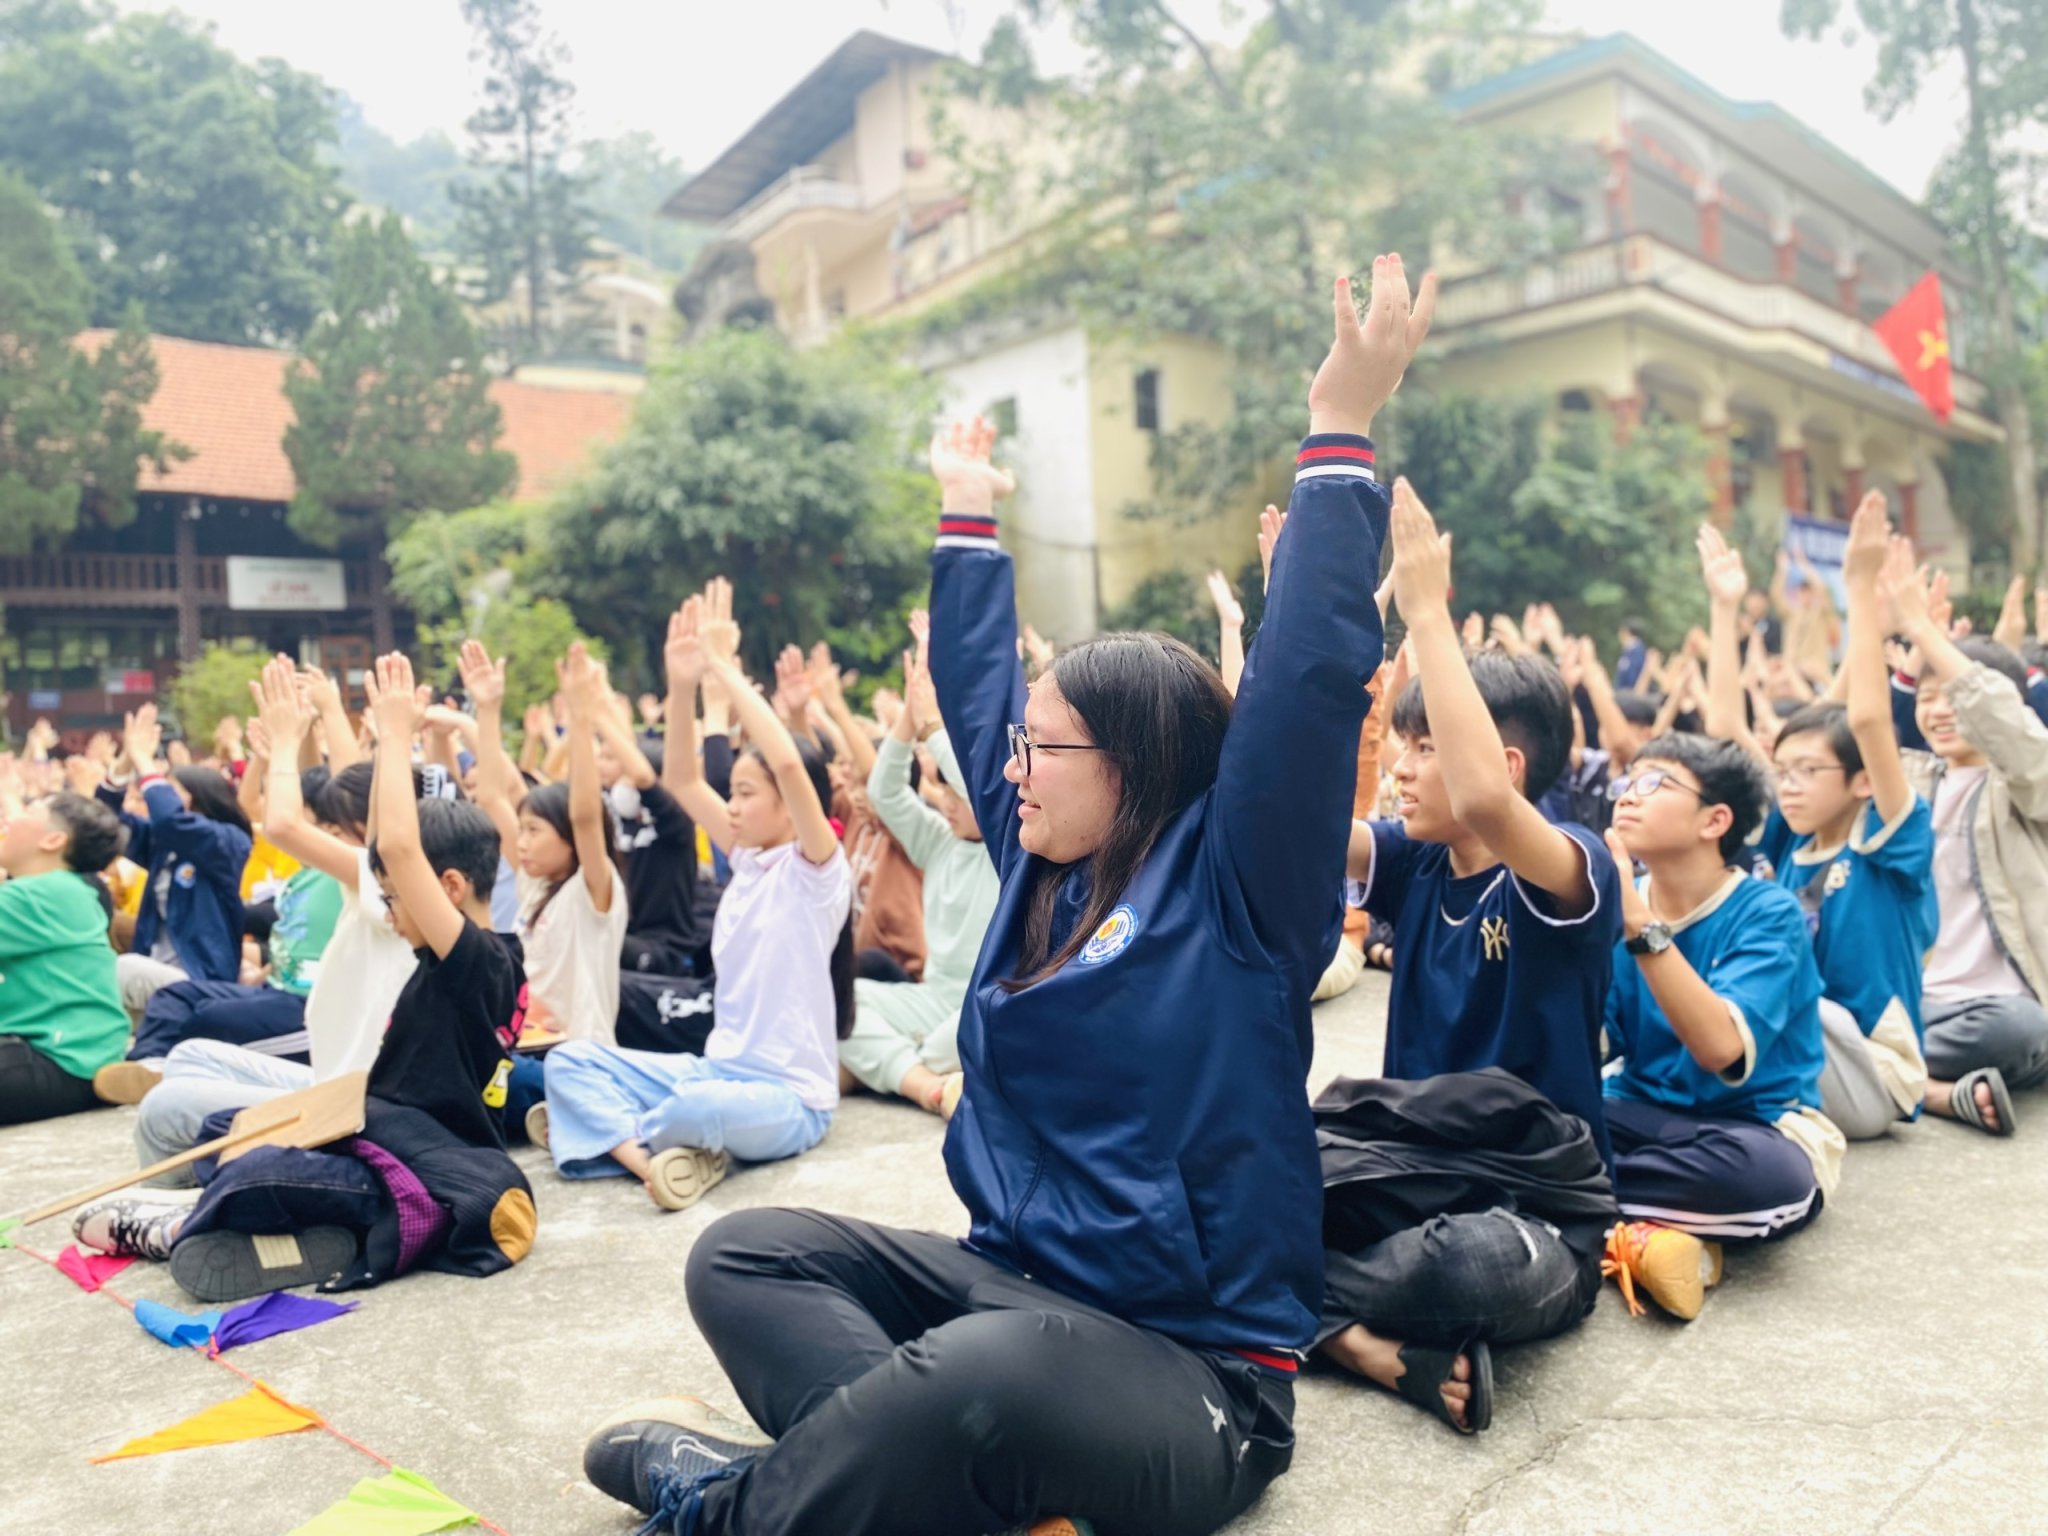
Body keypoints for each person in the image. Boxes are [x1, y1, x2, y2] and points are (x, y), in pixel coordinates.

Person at [576, 258, 1428, 1536]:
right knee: (746, 1258)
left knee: (985, 1376)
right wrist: (965, 512)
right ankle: (947, 1496)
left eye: (1044, 750)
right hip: (1012, 1292)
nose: (1006, 769)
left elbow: (1305, 688)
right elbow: (974, 697)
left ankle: (733, 1509)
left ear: (1133, 766)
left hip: (1189, 1374)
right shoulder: (1040, 862)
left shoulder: (1240, 892)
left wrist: (1339, 428)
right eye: (1017, 745)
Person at [74, 652, 531, 1301]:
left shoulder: (479, 961)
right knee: (222, 1132)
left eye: (397, 899)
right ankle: (285, 1231)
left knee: (255, 1166)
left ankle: (196, 1226)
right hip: (376, 1131)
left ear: (448, 888)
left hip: (421, 1168)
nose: (393, 913)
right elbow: (382, 849)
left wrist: (397, 733)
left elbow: (398, 847)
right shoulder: (470, 955)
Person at [1324, 480, 1621, 1434]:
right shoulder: (1415, 862)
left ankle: (1300, 1312)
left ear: (1507, 762)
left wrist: (1428, 613)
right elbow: (1305, 825)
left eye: (1422, 747)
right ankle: (1354, 1338)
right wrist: (1311, 635)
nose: (1401, 769)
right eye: (1400, 747)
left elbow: (1489, 804)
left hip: (1531, 1209)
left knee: (1469, 1267)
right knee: (1219, 1172)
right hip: (1399, 1170)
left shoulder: (1574, 869)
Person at [540, 583, 852, 1208]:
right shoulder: (746, 857)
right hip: (716, 1071)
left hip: (789, 1102)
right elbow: (680, 777)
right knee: (567, 1063)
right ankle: (648, 1158)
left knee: (693, 1106)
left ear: (792, 807)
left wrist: (724, 669)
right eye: (731, 793)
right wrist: (682, 687)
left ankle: (610, 1131)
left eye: (744, 794)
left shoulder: (816, 871)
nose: (730, 807)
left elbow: (790, 765)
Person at [128, 656, 420, 1182]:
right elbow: (347, 790)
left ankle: (178, 1214)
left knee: (163, 1108)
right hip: (333, 1078)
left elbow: (291, 821)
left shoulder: (387, 882)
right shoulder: (368, 883)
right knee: (190, 1054)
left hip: (355, 1103)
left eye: (334, 825)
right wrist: (320, 719)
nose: (326, 831)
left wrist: (290, 739)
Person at [1701, 503, 1936, 1142]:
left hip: (1870, 1072)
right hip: (1801, 1045)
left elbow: (1864, 723)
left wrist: (1858, 590)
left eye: (1808, 772)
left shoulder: (1893, 840)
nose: (1790, 785)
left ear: (1862, 782)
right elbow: (1725, 734)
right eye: (1785, 771)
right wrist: (1724, 610)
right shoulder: (1791, 834)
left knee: (1746, 993)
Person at [1600, 734, 1840, 1321]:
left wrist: (1639, 925)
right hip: (1637, 1113)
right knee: (1525, 1117)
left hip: (1751, 1128)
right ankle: (1641, 1238)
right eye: (1627, 781)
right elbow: (1590, 1043)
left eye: (1655, 782)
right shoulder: (1617, 900)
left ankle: (1574, 1204)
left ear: (1716, 820)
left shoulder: (1767, 911)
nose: (1629, 796)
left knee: (1770, 1182)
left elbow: (1719, 1047)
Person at [1886, 560, 2048, 1135]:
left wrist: (1926, 632)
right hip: (1911, 1003)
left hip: (1994, 1011)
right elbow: (1860, 726)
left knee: (2022, 1030)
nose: (1939, 710)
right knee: (1821, 1012)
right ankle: (1932, 1091)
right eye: (1927, 698)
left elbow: (2010, 728)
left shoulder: (2028, 786)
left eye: (1953, 696)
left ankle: (1877, 1073)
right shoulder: (1909, 783)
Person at [837, 620, 999, 1115]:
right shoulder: (938, 843)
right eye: (942, 791)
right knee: (835, 1003)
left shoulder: (1007, 846)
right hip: (932, 1000)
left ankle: (900, 1068)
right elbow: (886, 791)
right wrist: (910, 714)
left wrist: (934, 724)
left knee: (941, 1046)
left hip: (979, 1006)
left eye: (954, 791)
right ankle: (929, 1085)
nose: (946, 802)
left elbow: (981, 788)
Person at [491, 643, 630, 1142]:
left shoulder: (593, 893)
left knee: (491, 1076)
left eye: (534, 831)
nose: (521, 843)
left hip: (581, 1059)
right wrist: (484, 714)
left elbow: (586, 814)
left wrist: (581, 715)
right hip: (533, 1047)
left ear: (569, 843)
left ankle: (572, 1116)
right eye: (520, 831)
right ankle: (556, 1119)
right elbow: (491, 796)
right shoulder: (536, 888)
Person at [96, 702, 252, 1015]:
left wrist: (145, 760)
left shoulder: (228, 841)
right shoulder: (161, 842)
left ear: (195, 796)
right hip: (156, 967)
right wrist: (126, 762)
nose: (155, 794)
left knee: (120, 970)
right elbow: (102, 823)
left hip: (200, 978)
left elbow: (171, 820)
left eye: (170, 788)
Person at [0, 792, 129, 1124]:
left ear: (53, 839)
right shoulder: (65, 889)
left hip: (56, 1059)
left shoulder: (43, 895)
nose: (9, 819)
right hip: (73, 1059)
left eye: (26, 810)